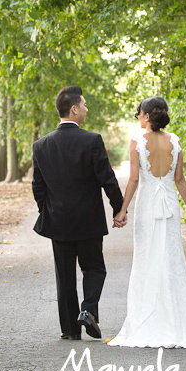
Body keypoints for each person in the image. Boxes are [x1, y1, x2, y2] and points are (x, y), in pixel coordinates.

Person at [108, 96, 186, 348]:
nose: (137, 117)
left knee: (147, 258)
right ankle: (176, 322)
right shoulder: (175, 141)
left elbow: (135, 180)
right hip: (170, 205)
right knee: (171, 260)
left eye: (138, 113)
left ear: (147, 115)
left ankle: (147, 320)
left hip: (148, 205)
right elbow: (180, 180)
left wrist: (122, 211)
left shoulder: (137, 141)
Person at [32, 86, 125, 341]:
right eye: (83, 105)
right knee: (94, 268)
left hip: (58, 222)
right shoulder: (92, 140)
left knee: (64, 276)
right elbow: (107, 178)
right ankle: (88, 310)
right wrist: (119, 208)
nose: (86, 108)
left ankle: (70, 330)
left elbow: (37, 187)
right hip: (89, 221)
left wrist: (48, 211)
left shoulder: (41, 146)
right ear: (74, 109)